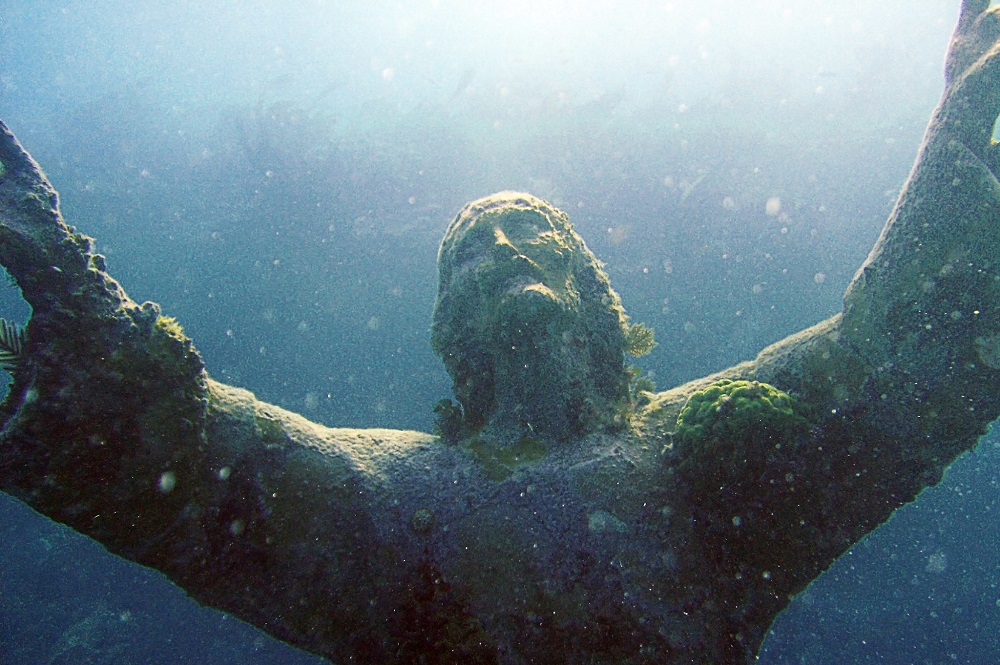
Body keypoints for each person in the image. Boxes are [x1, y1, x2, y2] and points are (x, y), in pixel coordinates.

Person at [2, 1, 1000, 662]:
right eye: (473, 244)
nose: (510, 245)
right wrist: (77, 294)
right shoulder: (390, 493)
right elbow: (197, 458)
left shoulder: (698, 452)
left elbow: (886, 362)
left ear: (590, 281)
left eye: (536, 228)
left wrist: (953, 165)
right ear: (449, 318)